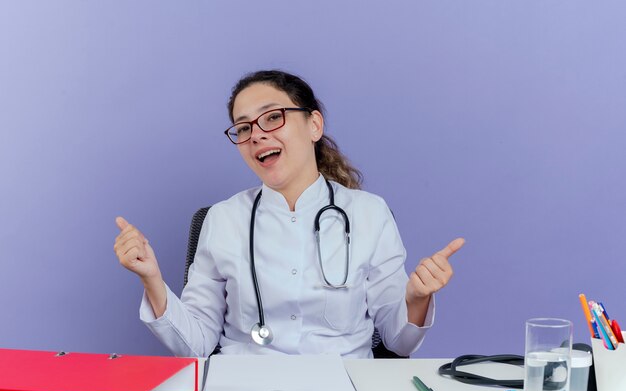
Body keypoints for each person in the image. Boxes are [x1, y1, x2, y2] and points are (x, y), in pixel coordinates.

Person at [113, 70, 465, 358]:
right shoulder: (222, 219)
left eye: (273, 117)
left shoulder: (369, 213)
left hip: (345, 388)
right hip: (243, 389)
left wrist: (417, 298)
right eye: (245, 127)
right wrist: (152, 280)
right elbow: (196, 344)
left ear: (314, 125)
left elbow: (399, 341)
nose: (256, 136)